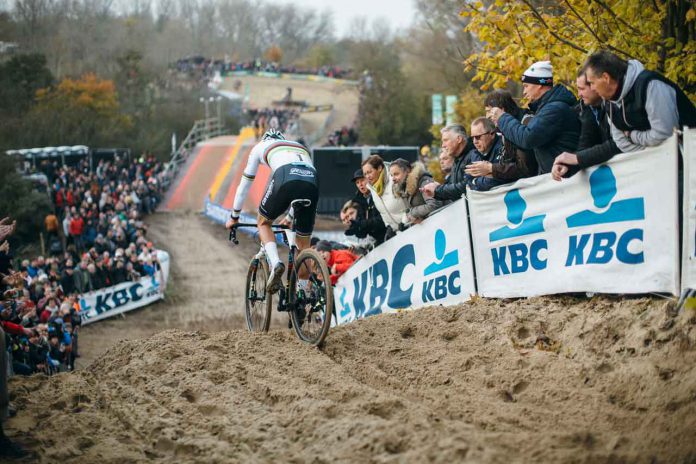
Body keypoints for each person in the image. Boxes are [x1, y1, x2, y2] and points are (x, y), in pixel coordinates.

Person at [225, 129, 319, 292]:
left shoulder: (259, 147)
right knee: (304, 247)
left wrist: (234, 216)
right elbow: (301, 185)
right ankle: (302, 296)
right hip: (312, 180)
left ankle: (276, 263)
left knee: (263, 222)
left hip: (285, 175)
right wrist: (290, 217)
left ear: (265, 139)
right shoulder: (298, 146)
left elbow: (244, 186)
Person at [582, 50, 696, 153]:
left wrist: (632, 136)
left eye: (592, 83)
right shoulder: (609, 101)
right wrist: (652, 152)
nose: (592, 88)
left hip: (689, 162)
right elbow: (621, 143)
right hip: (663, 163)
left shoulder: (651, 85)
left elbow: (665, 134)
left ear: (605, 78)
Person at [487, 61, 580, 174]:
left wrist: (503, 118)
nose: (524, 91)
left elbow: (528, 138)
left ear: (540, 84)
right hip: (559, 176)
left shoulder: (554, 109)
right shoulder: (546, 107)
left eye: (526, 86)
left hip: (566, 177)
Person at [552, 68, 621, 181]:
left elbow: (618, 144)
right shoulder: (587, 110)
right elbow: (586, 145)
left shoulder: (616, 105)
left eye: (582, 89)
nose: (579, 94)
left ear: (595, 86)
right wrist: (566, 166)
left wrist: (577, 158)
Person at [420, 124, 474, 203]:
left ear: (459, 139)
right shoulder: (458, 158)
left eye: (445, 140)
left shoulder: (473, 155)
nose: (443, 145)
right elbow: (452, 186)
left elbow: (466, 187)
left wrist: (437, 189)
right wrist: (435, 189)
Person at [361, 155, 408, 239]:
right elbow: (383, 212)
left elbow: (409, 204)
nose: (367, 176)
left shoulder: (394, 179)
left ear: (379, 168)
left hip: (411, 226)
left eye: (369, 172)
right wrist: (389, 227)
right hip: (398, 234)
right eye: (365, 174)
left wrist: (405, 222)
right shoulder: (373, 188)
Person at [389, 158, 442, 226]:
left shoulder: (423, 181)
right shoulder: (404, 189)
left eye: (396, 174)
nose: (393, 179)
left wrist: (412, 212)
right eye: (391, 175)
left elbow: (433, 205)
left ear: (407, 171)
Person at [463, 117, 507, 191]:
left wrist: (475, 181)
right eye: (472, 138)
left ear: (492, 134)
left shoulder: (504, 147)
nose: (474, 142)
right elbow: (467, 178)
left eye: (478, 137)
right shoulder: (475, 153)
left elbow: (496, 180)